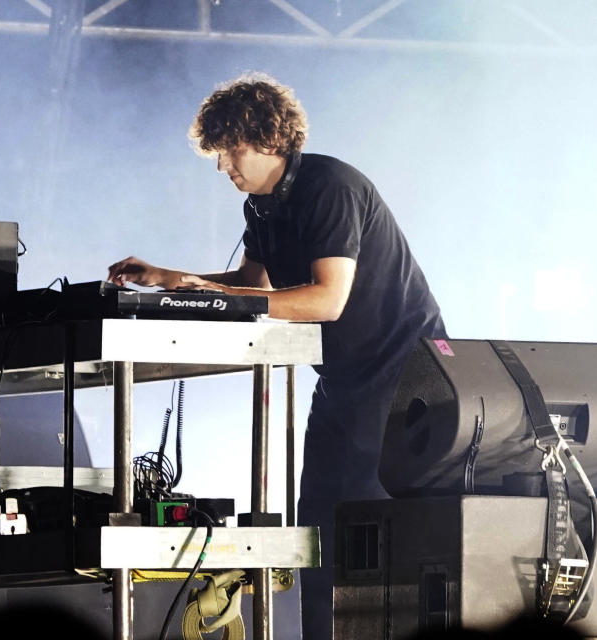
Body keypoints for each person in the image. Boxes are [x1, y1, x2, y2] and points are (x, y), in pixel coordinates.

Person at [107, 74, 446, 640]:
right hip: (342, 379)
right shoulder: (260, 207)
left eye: (231, 151)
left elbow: (325, 299)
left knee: (371, 531)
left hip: (401, 380)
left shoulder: (328, 187)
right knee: (315, 525)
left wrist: (224, 295)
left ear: (268, 139)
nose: (223, 167)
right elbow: (250, 283)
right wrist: (167, 279)